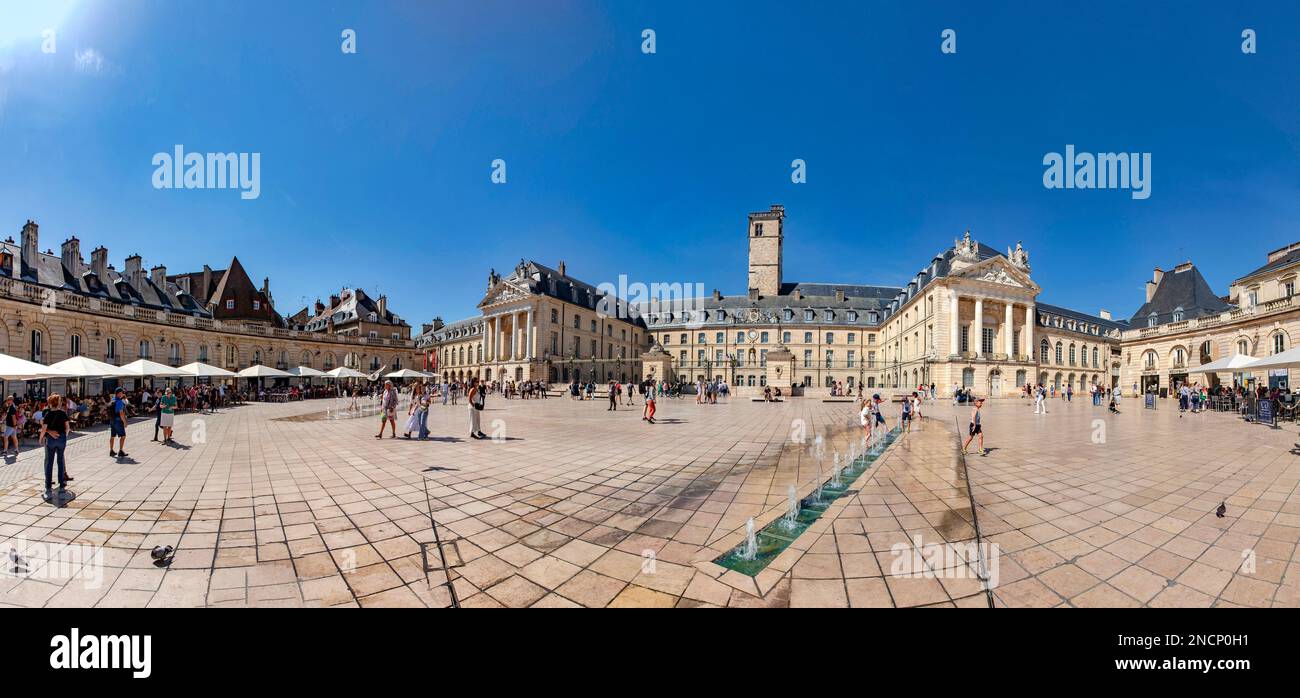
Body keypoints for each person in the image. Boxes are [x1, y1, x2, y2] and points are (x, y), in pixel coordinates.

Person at [40, 394, 71, 500]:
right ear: (58, 403)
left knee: (49, 462)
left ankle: (48, 487)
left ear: (50, 403)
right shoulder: (63, 413)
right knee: (60, 461)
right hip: (61, 439)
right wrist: (64, 436)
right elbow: (67, 428)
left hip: (50, 440)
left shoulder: (48, 414)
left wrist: (41, 438)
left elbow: (44, 428)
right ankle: (61, 486)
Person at [109, 387, 129, 460]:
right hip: (118, 420)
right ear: (119, 393)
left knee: (112, 436)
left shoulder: (113, 399)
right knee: (123, 436)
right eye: (122, 392)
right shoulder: (119, 401)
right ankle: (120, 451)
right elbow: (121, 413)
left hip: (112, 420)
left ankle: (111, 450)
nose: (123, 394)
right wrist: (125, 422)